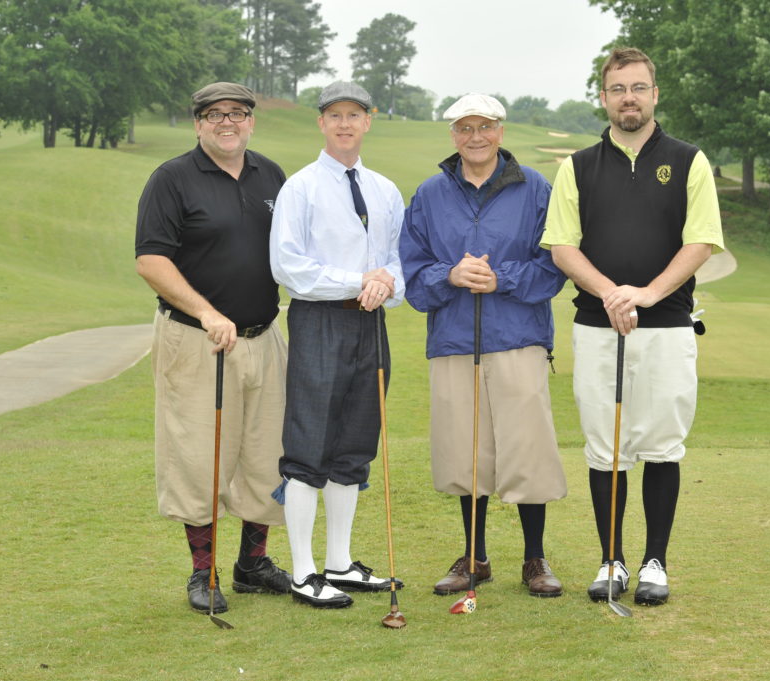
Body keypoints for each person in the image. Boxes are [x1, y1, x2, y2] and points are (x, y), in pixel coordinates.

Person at [542, 47, 725, 606]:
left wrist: (644, 294)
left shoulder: (689, 160)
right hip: (598, 327)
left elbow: (701, 242)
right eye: (618, 89)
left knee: (664, 444)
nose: (629, 98)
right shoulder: (577, 166)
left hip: (667, 326)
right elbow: (561, 247)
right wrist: (611, 292)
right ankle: (612, 560)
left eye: (638, 88)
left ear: (654, 94)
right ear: (603, 97)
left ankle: (655, 563)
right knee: (606, 447)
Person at [400, 93, 569, 598]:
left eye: (486, 126)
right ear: (452, 135)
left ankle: (534, 558)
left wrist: (503, 278)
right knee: (464, 453)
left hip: (518, 337)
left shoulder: (536, 188)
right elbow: (411, 273)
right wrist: (448, 274)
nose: (475, 136)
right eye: (465, 127)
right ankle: (475, 556)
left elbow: (555, 264)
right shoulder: (430, 195)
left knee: (527, 451)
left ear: (501, 131)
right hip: (453, 339)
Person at [135, 82, 291, 616]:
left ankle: (253, 564)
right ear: (198, 123)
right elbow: (151, 261)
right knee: (199, 455)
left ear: (251, 120)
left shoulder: (271, 174)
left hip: (264, 336)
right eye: (215, 115)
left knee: (265, 453)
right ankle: (204, 573)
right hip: (197, 340)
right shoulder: (172, 179)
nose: (228, 123)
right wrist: (206, 312)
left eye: (239, 113)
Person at [269, 82, 405, 608]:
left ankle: (339, 563)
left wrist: (385, 282)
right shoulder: (300, 189)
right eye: (335, 115)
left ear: (368, 120)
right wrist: (359, 281)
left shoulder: (385, 189)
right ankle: (304, 571)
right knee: (309, 444)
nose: (345, 123)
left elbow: (397, 259)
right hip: (320, 321)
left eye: (355, 114)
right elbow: (289, 268)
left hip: (371, 326)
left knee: (354, 442)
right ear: (321, 123)